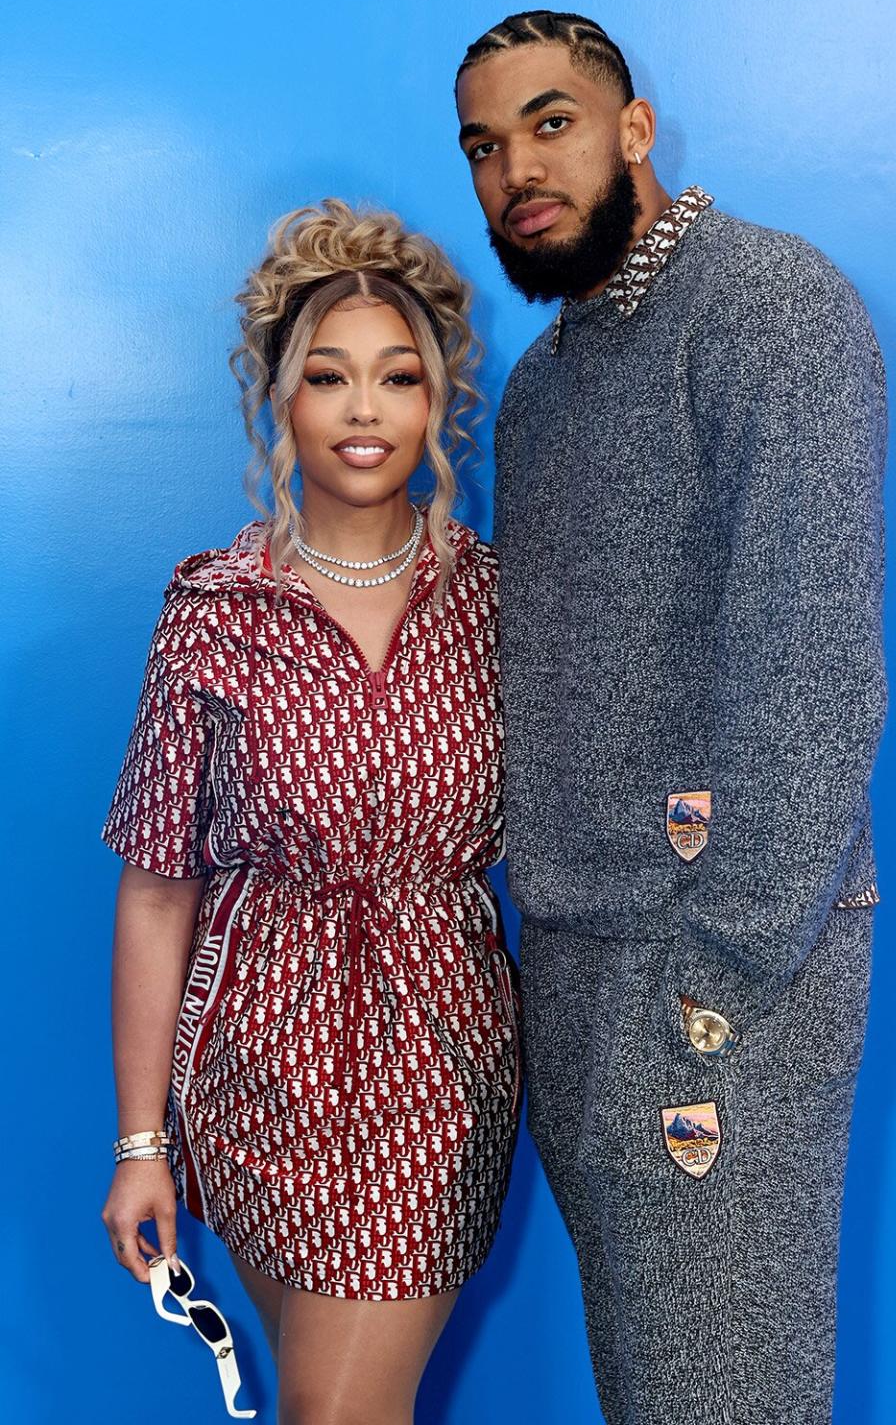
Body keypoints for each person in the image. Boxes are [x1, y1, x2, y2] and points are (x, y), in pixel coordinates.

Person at [455, 10, 886, 1425]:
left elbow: (810, 650)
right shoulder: (543, 389)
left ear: (634, 130)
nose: (519, 165)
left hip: (714, 984)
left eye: (552, 121)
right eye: (485, 145)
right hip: (574, 967)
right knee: (654, 1392)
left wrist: (728, 964)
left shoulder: (771, 306)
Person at [99, 198, 520, 1424]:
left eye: (398, 377)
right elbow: (158, 884)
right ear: (280, 400)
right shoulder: (214, 609)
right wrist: (142, 1142)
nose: (364, 409)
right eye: (328, 377)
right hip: (251, 1071)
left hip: (434, 1061)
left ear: (436, 401)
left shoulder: (498, 603)